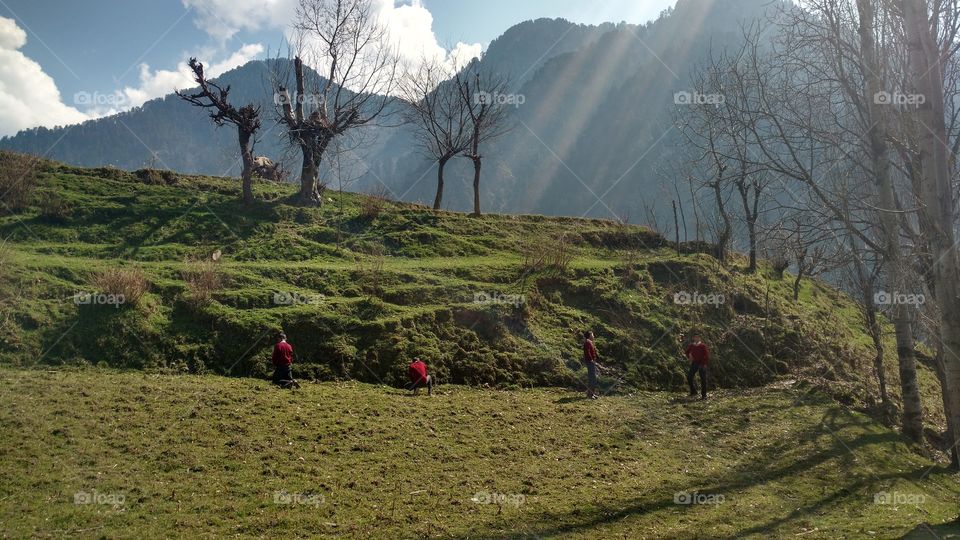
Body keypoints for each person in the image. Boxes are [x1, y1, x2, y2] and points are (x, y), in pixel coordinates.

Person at [685, 332, 710, 399]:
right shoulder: (691, 345)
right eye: (695, 337)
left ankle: (704, 395)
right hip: (694, 363)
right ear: (693, 338)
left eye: (698, 337)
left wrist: (704, 363)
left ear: (699, 338)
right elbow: (687, 352)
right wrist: (689, 356)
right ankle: (693, 391)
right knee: (689, 377)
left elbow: (706, 355)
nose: (696, 338)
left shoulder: (702, 345)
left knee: (703, 379)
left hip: (702, 364)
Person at [583, 330, 599, 399]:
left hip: (591, 361)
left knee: (593, 378)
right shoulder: (587, 342)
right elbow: (587, 352)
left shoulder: (590, 342)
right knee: (592, 378)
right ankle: (590, 394)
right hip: (590, 362)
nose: (593, 336)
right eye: (592, 335)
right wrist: (591, 360)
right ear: (589, 335)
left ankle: (592, 393)